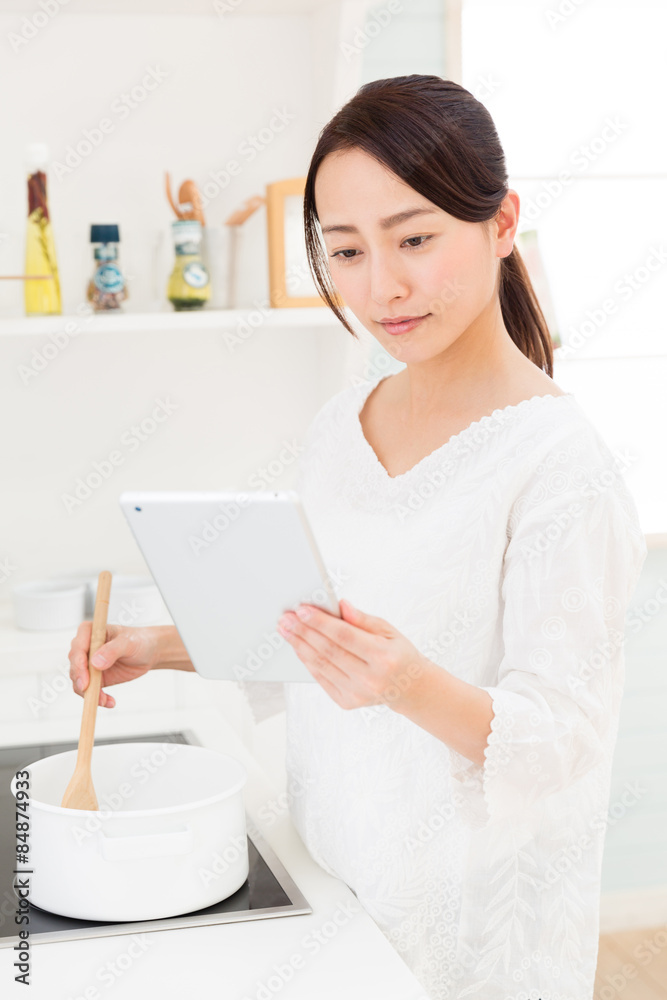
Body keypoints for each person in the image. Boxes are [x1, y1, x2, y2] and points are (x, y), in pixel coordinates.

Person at [69, 76, 647, 1000]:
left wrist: (409, 686)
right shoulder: (343, 423)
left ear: (501, 224)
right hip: (333, 877)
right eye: (345, 251)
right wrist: (163, 647)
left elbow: (562, 743)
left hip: (464, 930)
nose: (381, 287)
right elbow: (317, 632)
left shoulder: (557, 464)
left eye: (415, 239)